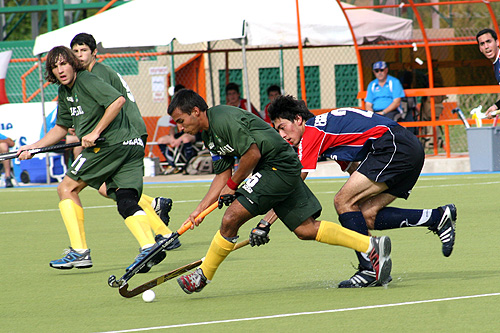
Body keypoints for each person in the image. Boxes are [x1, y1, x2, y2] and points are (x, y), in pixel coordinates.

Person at [168, 89, 393, 294]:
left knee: (231, 218)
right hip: (278, 168)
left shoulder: (223, 119)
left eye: (181, 121)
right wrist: (198, 210)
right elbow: (222, 176)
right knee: (305, 229)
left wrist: (233, 186)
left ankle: (203, 275)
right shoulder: (209, 135)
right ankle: (371, 245)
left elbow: (252, 155)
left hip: (276, 166)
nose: (180, 128)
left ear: (196, 111)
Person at [267, 95, 457, 288]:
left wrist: (265, 222)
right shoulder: (327, 130)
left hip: (392, 146)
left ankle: (369, 269)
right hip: (407, 148)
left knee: (343, 201)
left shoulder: (311, 132)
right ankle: (437, 217)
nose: (282, 135)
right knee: (366, 215)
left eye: (282, 127)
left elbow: (292, 184)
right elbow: (353, 169)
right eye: (277, 131)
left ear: (298, 120)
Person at [18, 46, 169, 273]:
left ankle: (79, 252)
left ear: (72, 63)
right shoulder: (65, 92)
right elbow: (60, 128)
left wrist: (96, 132)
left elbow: (117, 101)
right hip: (130, 145)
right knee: (125, 197)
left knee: (66, 188)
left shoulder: (86, 80)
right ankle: (149, 246)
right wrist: (34, 147)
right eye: (54, 66)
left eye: (63, 64)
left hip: (109, 145)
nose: (60, 70)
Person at [70, 33, 180, 264]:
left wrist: (93, 132)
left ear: (94, 53)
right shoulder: (97, 72)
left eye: (83, 51)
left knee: (76, 186)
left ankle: (156, 227)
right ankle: (165, 231)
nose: (79, 56)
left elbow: (111, 105)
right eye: (75, 52)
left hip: (124, 133)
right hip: (128, 131)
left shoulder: (94, 74)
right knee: (107, 189)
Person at [476, 29, 500, 118]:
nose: (486, 46)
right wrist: (496, 107)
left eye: (488, 42)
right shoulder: (496, 64)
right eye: (482, 44)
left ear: (497, 42)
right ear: (480, 49)